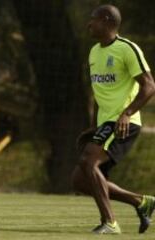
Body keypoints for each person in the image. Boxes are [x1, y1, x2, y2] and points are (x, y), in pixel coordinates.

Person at [71, 4, 155, 234]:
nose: (89, 23)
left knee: (88, 162)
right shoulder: (94, 52)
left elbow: (149, 86)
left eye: (93, 19)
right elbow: (100, 93)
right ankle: (141, 202)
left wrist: (126, 114)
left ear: (107, 20)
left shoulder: (127, 49)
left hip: (123, 122)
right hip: (105, 122)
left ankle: (110, 223)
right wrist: (94, 124)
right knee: (79, 180)